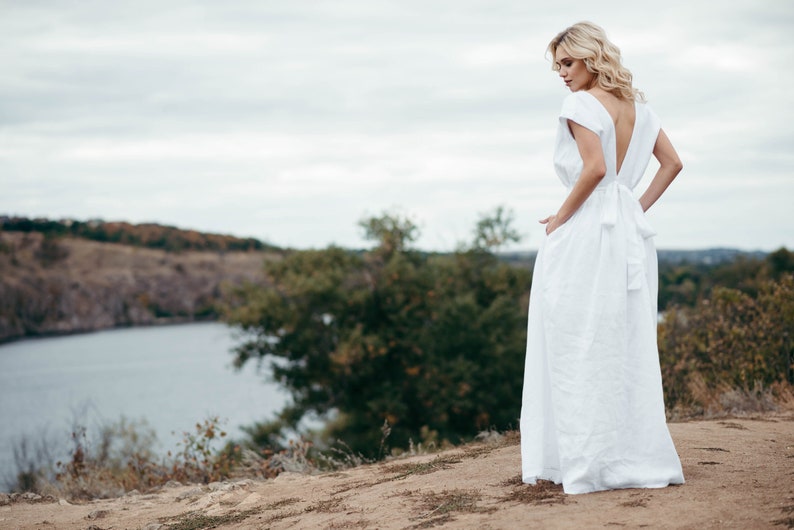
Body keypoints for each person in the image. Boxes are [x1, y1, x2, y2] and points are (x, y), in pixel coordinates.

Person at [520, 21, 685, 494]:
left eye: (567, 63)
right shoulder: (640, 108)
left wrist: (558, 220)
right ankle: (628, 457)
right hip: (629, 235)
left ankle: (585, 464)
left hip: (586, 234)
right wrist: (633, 205)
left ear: (591, 58)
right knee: (624, 340)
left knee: (574, 342)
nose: (562, 74)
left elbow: (593, 169)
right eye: (557, 67)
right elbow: (673, 164)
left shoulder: (578, 105)